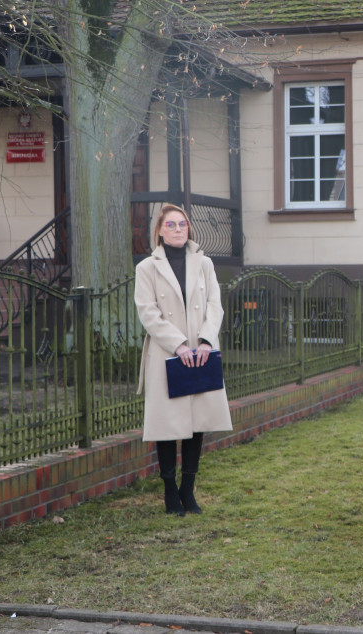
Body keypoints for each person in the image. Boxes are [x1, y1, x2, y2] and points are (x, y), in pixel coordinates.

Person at [135, 204, 233, 516]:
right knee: (167, 426)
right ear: (160, 230)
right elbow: (148, 312)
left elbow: (215, 304)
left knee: (196, 422)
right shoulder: (146, 268)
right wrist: (177, 345)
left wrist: (206, 341)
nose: (178, 229)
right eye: (171, 225)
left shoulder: (204, 263)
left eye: (182, 224)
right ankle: (169, 492)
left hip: (200, 351)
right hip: (167, 353)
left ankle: (188, 491)